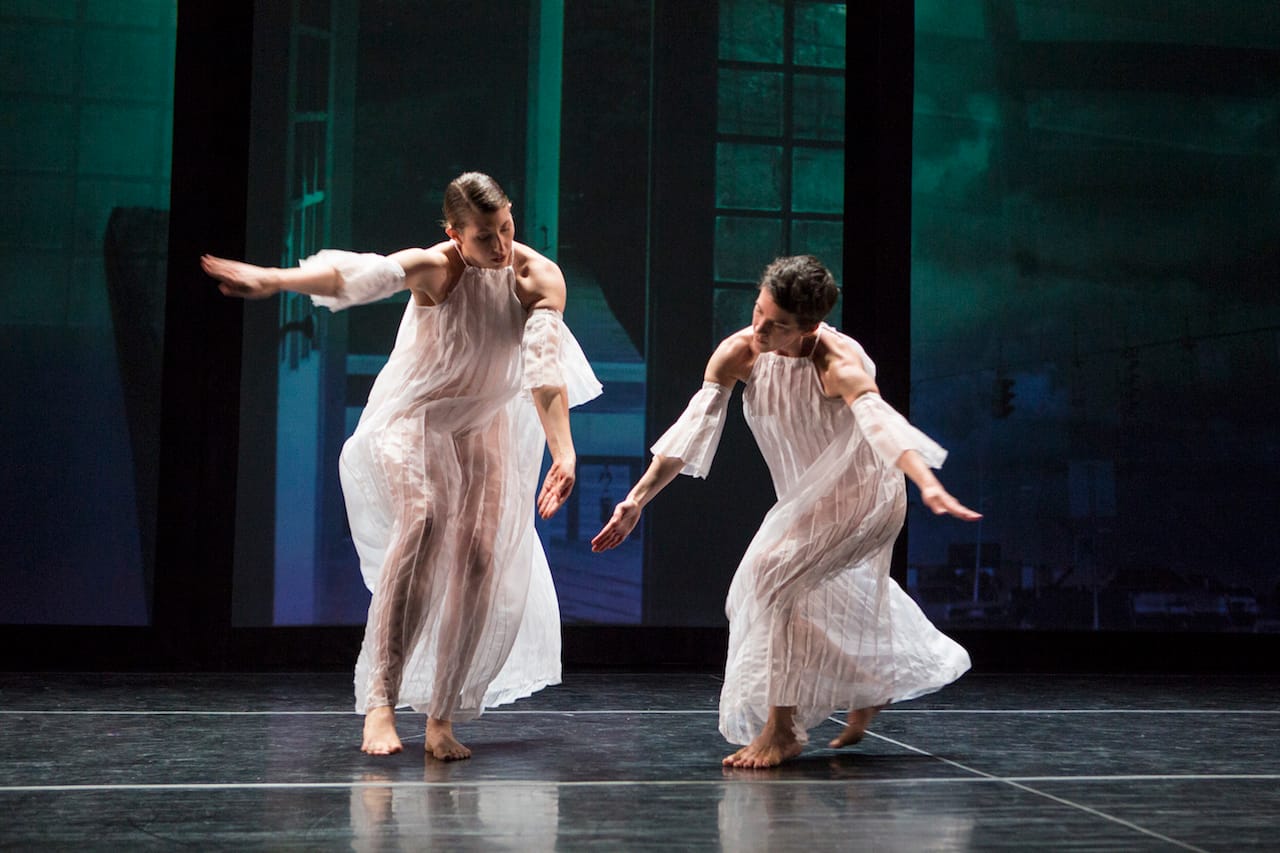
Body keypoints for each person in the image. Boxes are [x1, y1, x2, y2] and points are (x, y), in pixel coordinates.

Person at [203, 172, 601, 759]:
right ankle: (381, 704)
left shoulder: (535, 275)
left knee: (482, 556)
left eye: (507, 228)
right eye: (485, 236)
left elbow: (543, 369)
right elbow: (358, 274)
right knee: (426, 523)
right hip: (415, 418)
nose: (500, 246)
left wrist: (563, 449)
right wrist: (273, 278)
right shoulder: (436, 267)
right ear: (454, 234)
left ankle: (443, 715)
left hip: (483, 422)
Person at [592, 255, 977, 768]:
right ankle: (871, 682)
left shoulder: (837, 363)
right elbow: (691, 432)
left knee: (767, 580)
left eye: (776, 325)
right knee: (814, 596)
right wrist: (635, 499)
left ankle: (782, 730)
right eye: (758, 311)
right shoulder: (739, 353)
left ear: (810, 327)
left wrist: (927, 483)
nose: (759, 328)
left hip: (865, 498)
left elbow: (881, 423)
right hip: (806, 501)